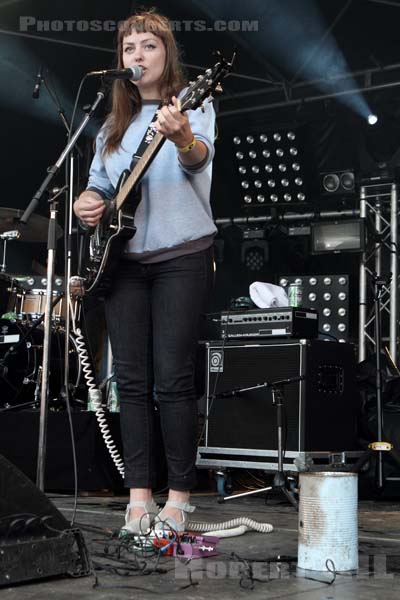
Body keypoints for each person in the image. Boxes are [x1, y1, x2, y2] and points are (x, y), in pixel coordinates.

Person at [73, 9, 216, 534]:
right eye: (129, 48)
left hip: (181, 255)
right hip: (123, 262)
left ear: (167, 54)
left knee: (173, 381)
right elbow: (98, 188)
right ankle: (139, 500)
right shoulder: (112, 125)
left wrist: (180, 138)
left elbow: (199, 160)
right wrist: (87, 203)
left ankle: (178, 499)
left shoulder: (193, 107)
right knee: (130, 383)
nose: (137, 55)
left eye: (148, 46)